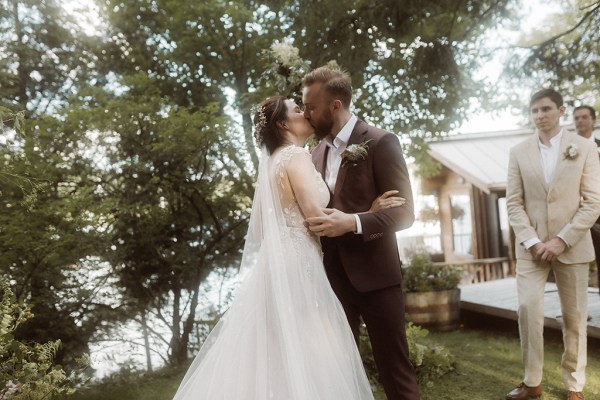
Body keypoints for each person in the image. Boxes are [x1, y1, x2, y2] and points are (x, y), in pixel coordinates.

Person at [172, 96, 404, 400]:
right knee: (307, 349)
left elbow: (261, 228)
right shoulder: (295, 156)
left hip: (278, 260)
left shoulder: (275, 162)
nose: (305, 113)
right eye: (297, 110)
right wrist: (370, 212)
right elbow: (316, 219)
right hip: (299, 262)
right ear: (283, 123)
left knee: (280, 348)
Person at [302, 66, 420, 400]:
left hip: (377, 278)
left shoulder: (381, 142)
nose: (306, 113)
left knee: (395, 371)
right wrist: (367, 211)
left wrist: (353, 222)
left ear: (335, 106)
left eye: (311, 106)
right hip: (332, 280)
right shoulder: (315, 153)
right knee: (340, 373)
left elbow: (405, 212)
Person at [506, 89, 600, 400]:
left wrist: (561, 240)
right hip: (531, 248)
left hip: (572, 246)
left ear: (560, 111)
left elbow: (593, 202)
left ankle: (574, 384)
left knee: (573, 316)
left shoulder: (584, 147)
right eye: (534, 111)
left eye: (546, 109)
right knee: (527, 309)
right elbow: (514, 204)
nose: (539, 115)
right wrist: (533, 241)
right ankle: (532, 382)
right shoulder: (518, 151)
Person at [574, 105, 600, 293]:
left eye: (584, 117)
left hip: (598, 212)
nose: (580, 121)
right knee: (574, 261)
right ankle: (575, 309)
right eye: (576, 118)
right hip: (573, 212)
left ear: (593, 120)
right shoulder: (566, 149)